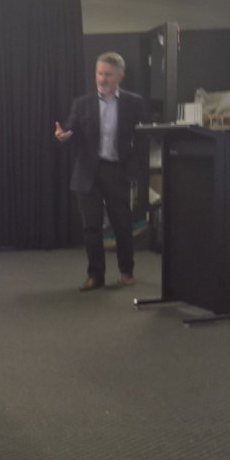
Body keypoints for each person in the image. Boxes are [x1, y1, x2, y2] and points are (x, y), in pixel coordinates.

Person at [55, 52, 145, 291]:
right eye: (100, 73)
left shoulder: (133, 102)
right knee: (91, 227)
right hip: (88, 173)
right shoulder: (82, 103)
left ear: (120, 76)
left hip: (117, 170)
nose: (103, 79)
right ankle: (95, 275)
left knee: (122, 224)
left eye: (108, 74)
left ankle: (127, 271)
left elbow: (143, 137)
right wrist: (63, 136)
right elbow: (70, 129)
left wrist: (134, 168)